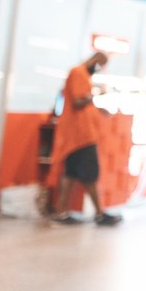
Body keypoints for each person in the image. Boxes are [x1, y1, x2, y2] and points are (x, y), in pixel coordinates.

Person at [50, 52, 122, 225]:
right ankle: (99, 213)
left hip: (78, 135)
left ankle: (62, 212)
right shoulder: (78, 72)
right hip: (81, 135)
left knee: (71, 173)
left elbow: (83, 102)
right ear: (95, 60)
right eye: (100, 65)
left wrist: (98, 108)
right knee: (90, 174)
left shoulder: (82, 75)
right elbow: (78, 101)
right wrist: (97, 93)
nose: (99, 69)